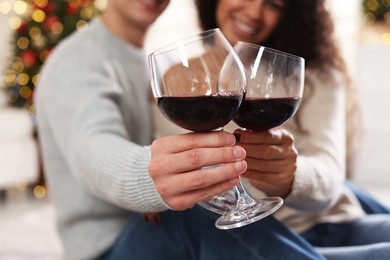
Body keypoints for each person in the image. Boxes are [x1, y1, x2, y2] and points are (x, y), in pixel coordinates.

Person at [34, 0, 334, 259]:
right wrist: (154, 176)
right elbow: (91, 150)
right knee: (189, 212)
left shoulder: (153, 59)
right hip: (110, 249)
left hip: (158, 234)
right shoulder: (75, 59)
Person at [189, 0, 390, 258]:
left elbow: (330, 174)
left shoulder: (317, 75)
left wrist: (290, 176)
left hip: (338, 221)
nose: (254, 13)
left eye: (273, 4)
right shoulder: (179, 80)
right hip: (264, 239)